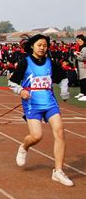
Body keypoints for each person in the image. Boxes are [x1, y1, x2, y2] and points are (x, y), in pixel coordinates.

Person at [8, 34, 73, 186]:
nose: (42, 48)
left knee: (60, 132)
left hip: (50, 103)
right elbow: (12, 82)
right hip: (32, 104)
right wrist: (20, 91)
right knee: (36, 136)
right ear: (32, 46)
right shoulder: (25, 63)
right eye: (39, 45)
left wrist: (64, 91)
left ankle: (58, 171)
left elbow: (63, 77)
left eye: (45, 45)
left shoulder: (51, 63)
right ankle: (24, 147)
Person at [73, 34, 86, 101]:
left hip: (83, 67)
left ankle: (85, 94)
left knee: (84, 80)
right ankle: (82, 92)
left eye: (80, 41)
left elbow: (83, 58)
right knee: (81, 80)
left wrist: (76, 55)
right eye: (78, 41)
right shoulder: (81, 48)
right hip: (80, 67)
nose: (79, 42)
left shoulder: (84, 48)